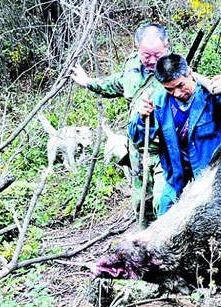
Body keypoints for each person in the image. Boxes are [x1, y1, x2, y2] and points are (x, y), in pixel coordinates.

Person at [69, 23, 171, 222]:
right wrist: (89, 82)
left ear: (166, 47)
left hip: (166, 149)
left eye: (157, 55)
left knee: (164, 202)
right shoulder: (132, 66)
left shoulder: (176, 68)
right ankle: (144, 247)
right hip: (138, 149)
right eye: (146, 55)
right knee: (142, 204)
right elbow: (118, 83)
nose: (151, 61)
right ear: (136, 48)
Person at [128, 53, 221, 215]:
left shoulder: (211, 93)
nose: (177, 93)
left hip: (212, 177)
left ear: (189, 73)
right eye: (169, 89)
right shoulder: (158, 102)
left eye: (180, 85)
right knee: (164, 214)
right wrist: (142, 117)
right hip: (177, 179)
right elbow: (137, 139)